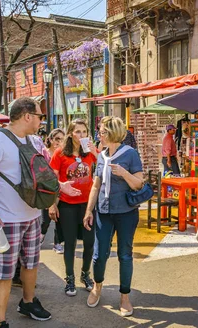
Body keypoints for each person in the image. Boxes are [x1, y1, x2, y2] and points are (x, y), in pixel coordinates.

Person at [0, 97, 52, 327]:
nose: (41, 121)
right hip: (6, 219)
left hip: (32, 216)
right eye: (39, 116)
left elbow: (40, 173)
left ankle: (28, 302)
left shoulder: (33, 141)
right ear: (28, 116)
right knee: (4, 272)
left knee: (31, 264)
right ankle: (0, 322)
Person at [83, 116, 144, 317]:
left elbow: (138, 184)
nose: (98, 134)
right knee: (100, 254)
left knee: (125, 255)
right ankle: (97, 287)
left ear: (111, 133)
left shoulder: (130, 154)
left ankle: (124, 296)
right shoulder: (101, 156)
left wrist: (124, 173)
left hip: (126, 212)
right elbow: (96, 185)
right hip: (104, 212)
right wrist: (88, 210)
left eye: (101, 131)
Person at [49, 119, 97, 297]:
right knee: (69, 243)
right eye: (77, 132)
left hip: (88, 205)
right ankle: (70, 278)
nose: (81, 135)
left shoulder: (90, 152)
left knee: (90, 242)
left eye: (84, 132)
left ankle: (86, 274)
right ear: (70, 133)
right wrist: (52, 204)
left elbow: (103, 168)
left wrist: (95, 152)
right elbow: (52, 180)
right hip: (67, 204)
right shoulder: (60, 153)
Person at [41, 128, 66, 254]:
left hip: (61, 189)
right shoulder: (44, 153)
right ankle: (41, 236)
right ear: (50, 139)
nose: (59, 142)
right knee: (46, 220)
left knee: (59, 218)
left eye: (62, 139)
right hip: (47, 191)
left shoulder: (64, 154)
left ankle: (57, 243)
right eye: (56, 139)